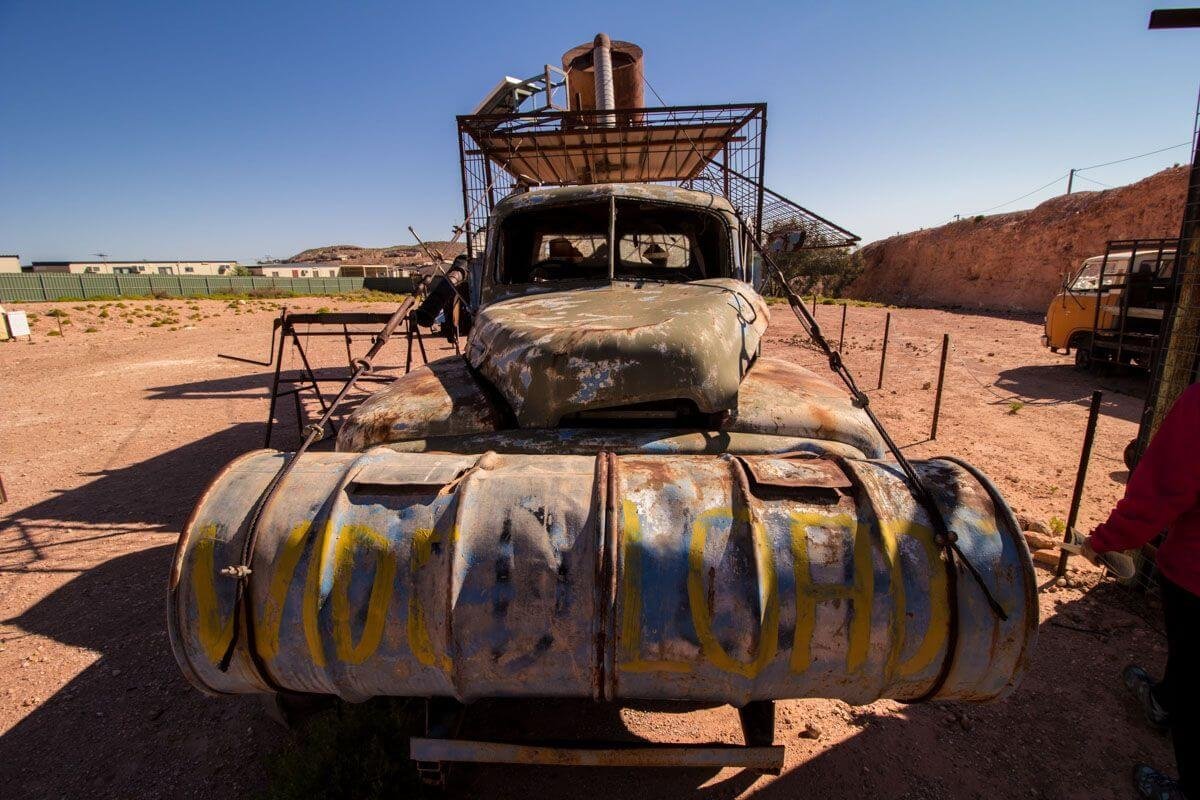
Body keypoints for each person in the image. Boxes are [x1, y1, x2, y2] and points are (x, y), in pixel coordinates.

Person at [1082, 382, 1200, 800]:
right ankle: (1163, 700)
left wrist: (1103, 540)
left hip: (1194, 574)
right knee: (1186, 659)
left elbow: (1161, 490)